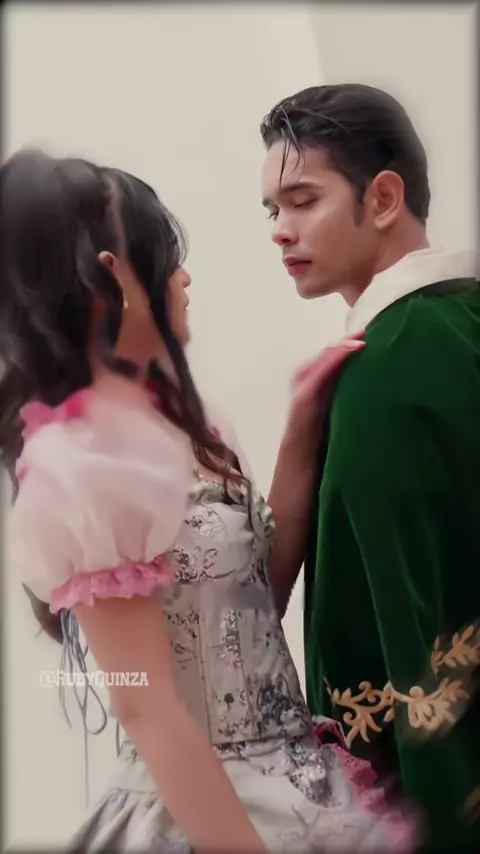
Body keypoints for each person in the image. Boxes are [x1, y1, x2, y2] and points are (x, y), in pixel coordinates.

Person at [2, 149, 412, 853]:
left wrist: (301, 429)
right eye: (167, 261)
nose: (185, 277)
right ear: (112, 281)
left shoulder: (192, 426)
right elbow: (146, 708)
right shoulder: (81, 468)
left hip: (303, 782)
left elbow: (255, 602)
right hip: (206, 812)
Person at [260, 82, 480, 854]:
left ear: (383, 197)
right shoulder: (461, 321)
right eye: (271, 210)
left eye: (302, 200)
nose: (280, 231)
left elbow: (408, 628)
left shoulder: (380, 370)